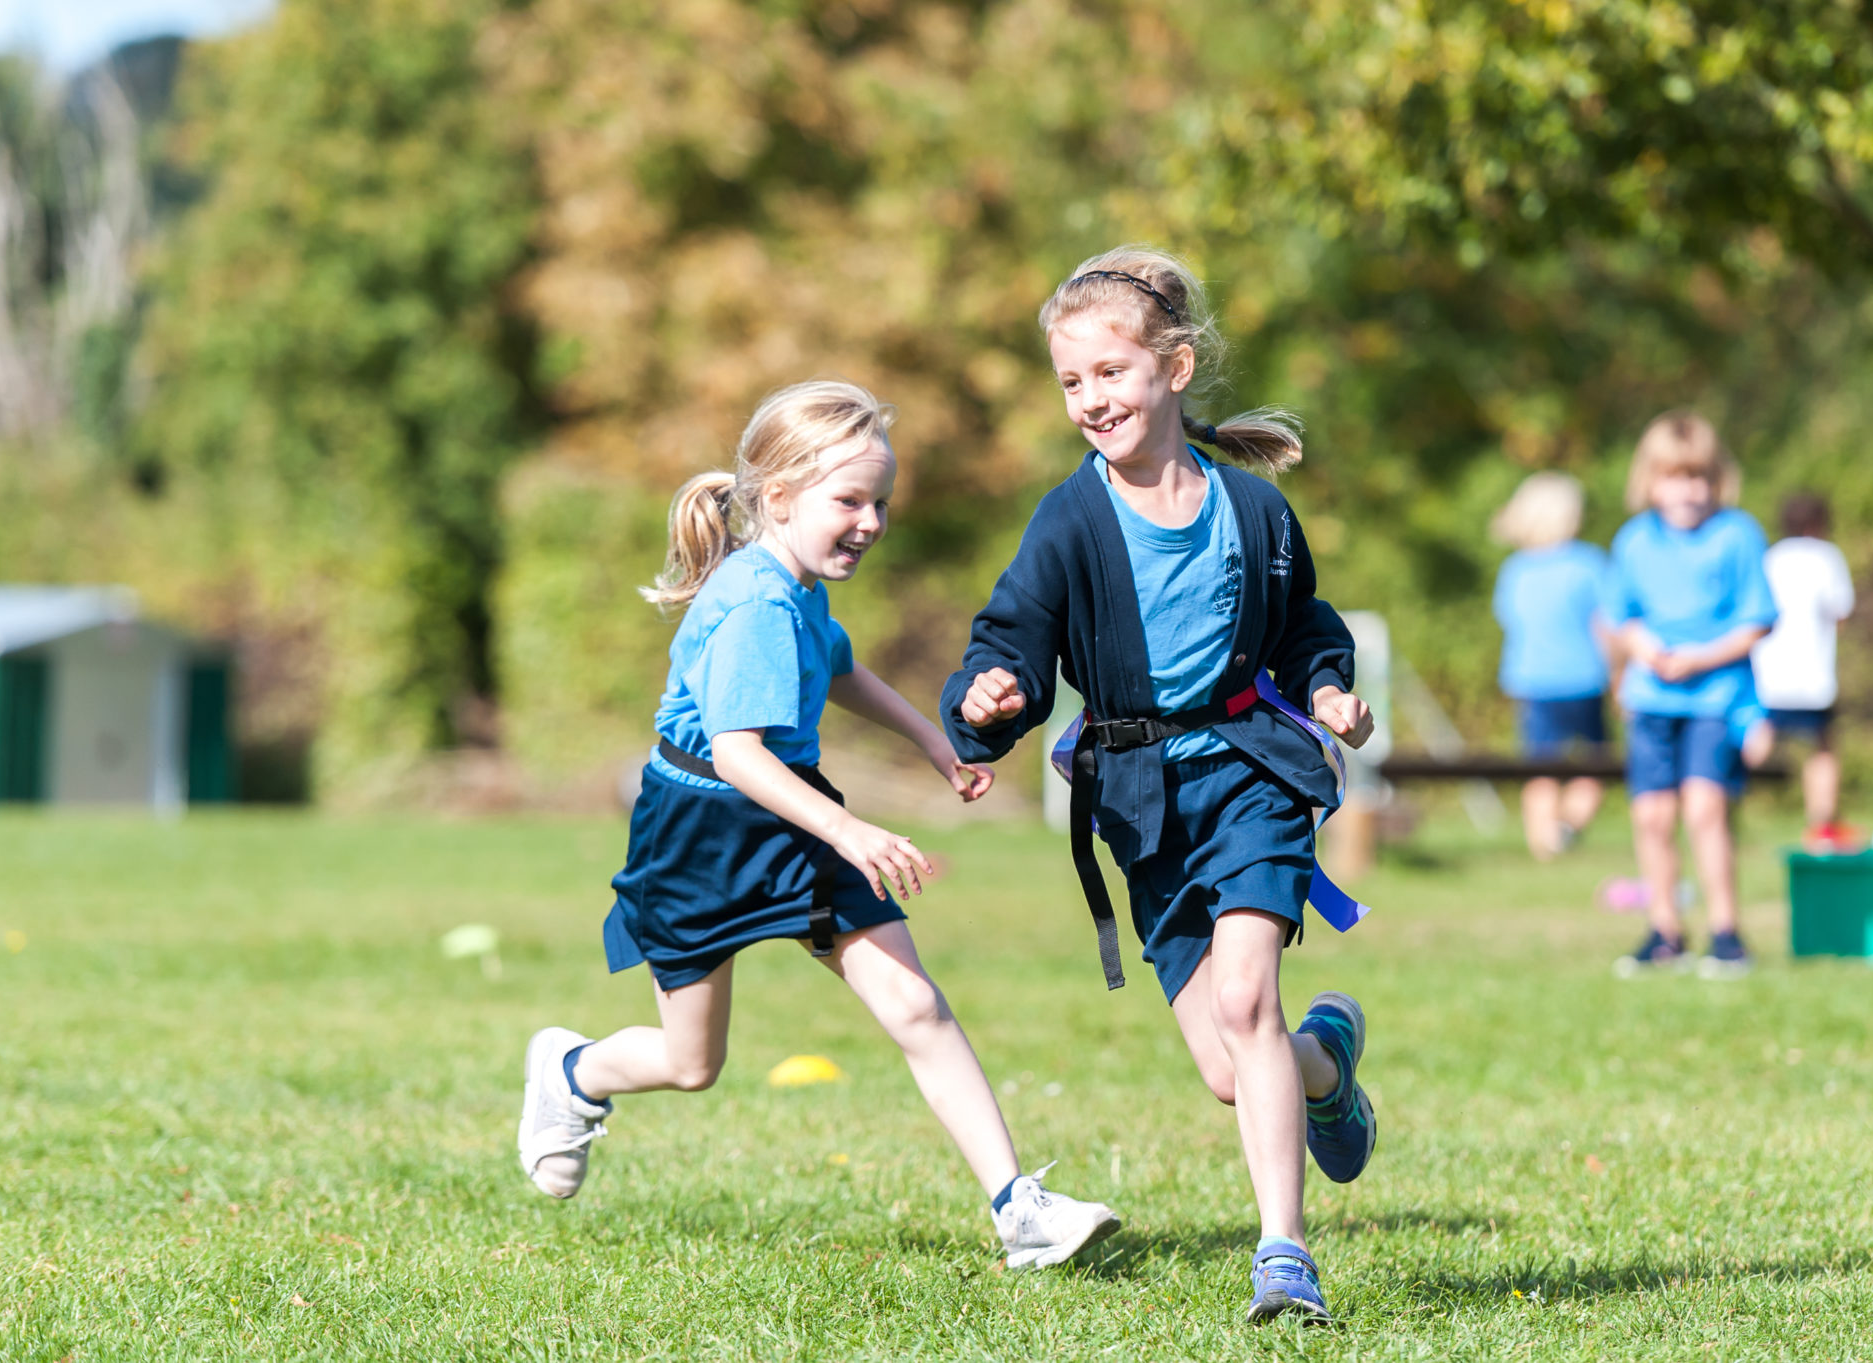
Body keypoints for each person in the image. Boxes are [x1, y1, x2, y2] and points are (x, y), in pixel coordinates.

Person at [516, 380, 1120, 1271]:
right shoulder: (756, 603)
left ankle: (1018, 1209)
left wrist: (932, 742)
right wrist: (854, 833)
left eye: (880, 501)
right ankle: (571, 1074)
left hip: (794, 817)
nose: (871, 521)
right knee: (691, 1063)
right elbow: (738, 756)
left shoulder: (796, 589)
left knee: (915, 1002)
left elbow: (840, 669)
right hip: (701, 834)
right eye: (850, 500)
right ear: (780, 496)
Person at [940, 248, 1377, 1323]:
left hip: (1249, 776)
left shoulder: (1252, 510)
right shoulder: (1065, 521)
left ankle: (1283, 1253)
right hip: (1141, 803)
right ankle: (1325, 1065)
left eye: (1110, 372)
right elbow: (1007, 645)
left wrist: (1326, 691)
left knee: (1244, 999)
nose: (1090, 399)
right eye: (1070, 382)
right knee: (1237, 1069)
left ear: (1173, 368)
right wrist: (984, 699)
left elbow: (1307, 627)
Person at [1604, 412, 1776, 979]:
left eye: (1700, 477)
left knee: (1706, 809)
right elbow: (1620, 617)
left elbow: (1757, 621)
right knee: (1653, 817)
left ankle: (1726, 933)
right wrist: (1645, 650)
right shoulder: (1634, 541)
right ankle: (1665, 932)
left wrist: (1700, 659)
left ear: (1718, 478)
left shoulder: (1737, 534)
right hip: (1652, 700)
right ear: (1650, 480)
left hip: (1715, 698)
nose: (1690, 491)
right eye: (1676, 477)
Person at [1490, 472, 1614, 860]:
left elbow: (1508, 619)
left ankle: (1544, 845)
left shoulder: (1515, 570)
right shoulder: (1590, 563)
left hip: (1531, 681)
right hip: (1584, 679)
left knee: (1539, 768)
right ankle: (1567, 826)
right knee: (1599, 766)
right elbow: (1608, 626)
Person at [1750, 492, 1855, 849]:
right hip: (1812, 674)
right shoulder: (1826, 557)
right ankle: (1822, 824)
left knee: (1758, 738)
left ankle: (1728, 799)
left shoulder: (1770, 557)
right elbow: (1841, 613)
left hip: (1769, 672)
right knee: (1822, 748)